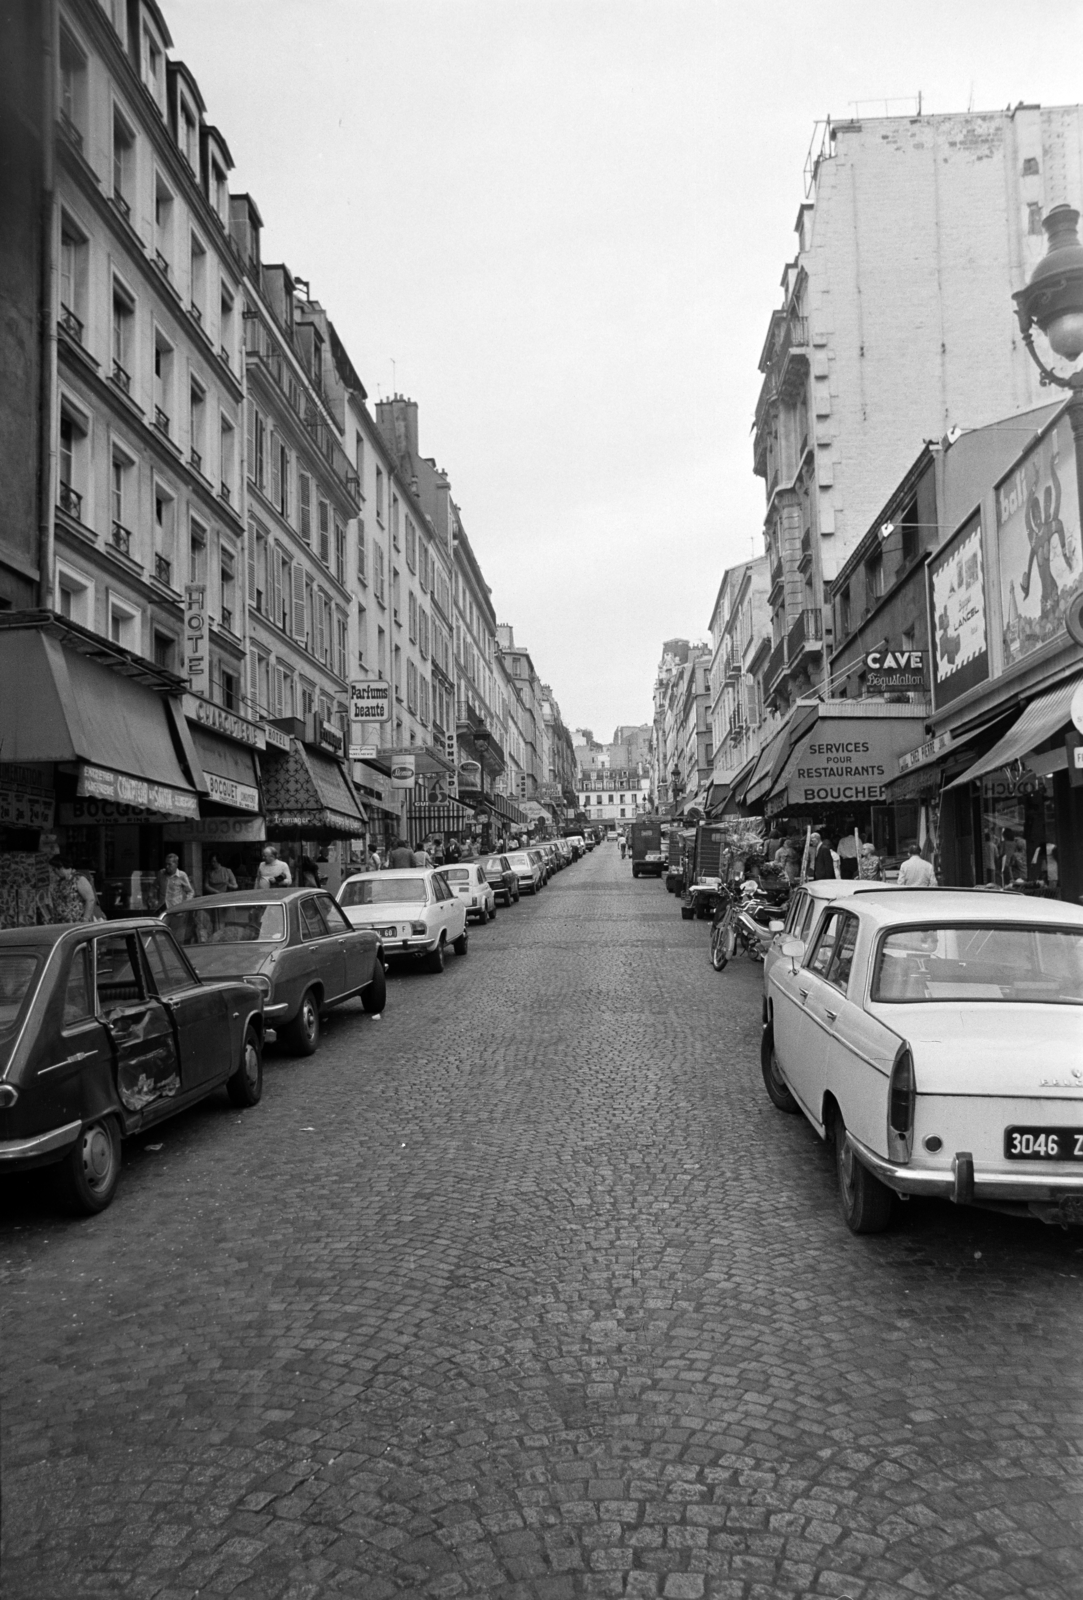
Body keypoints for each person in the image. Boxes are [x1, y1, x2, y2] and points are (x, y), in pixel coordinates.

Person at [51, 856, 103, 923]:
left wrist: (85, 919)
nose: (54, 872)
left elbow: (90, 899)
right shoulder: (60, 882)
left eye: (54, 870)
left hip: (78, 922)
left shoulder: (78, 879)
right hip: (63, 923)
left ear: (61, 867)